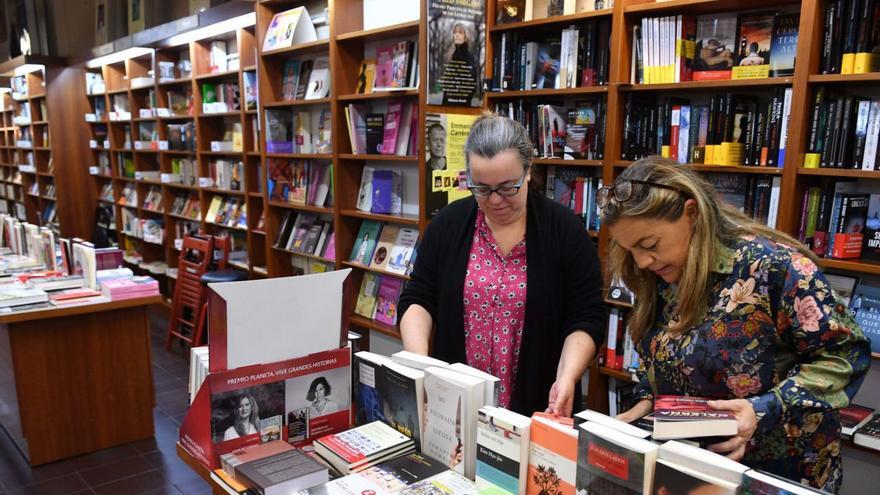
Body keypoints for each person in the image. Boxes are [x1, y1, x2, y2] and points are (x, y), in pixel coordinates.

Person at [599, 157, 871, 492]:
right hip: (694, 471)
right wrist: (647, 399)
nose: (641, 261)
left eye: (650, 245)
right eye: (630, 249)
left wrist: (761, 410)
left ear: (692, 214)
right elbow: (660, 355)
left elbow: (845, 357)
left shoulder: (776, 269)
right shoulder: (658, 273)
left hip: (778, 471)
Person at [398, 114, 606, 416]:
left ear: (529, 171)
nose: (495, 200)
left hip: (537, 407)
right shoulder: (448, 224)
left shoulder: (564, 230)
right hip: (454, 407)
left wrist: (567, 377)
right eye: (481, 188)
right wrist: (420, 366)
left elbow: (586, 316)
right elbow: (418, 297)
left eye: (508, 187)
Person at [440, 23, 479, 106]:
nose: (457, 35)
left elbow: (472, 84)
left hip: (460, 107)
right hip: (447, 105)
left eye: (460, 32)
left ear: (465, 37)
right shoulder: (452, 55)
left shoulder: (469, 57)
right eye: (455, 32)